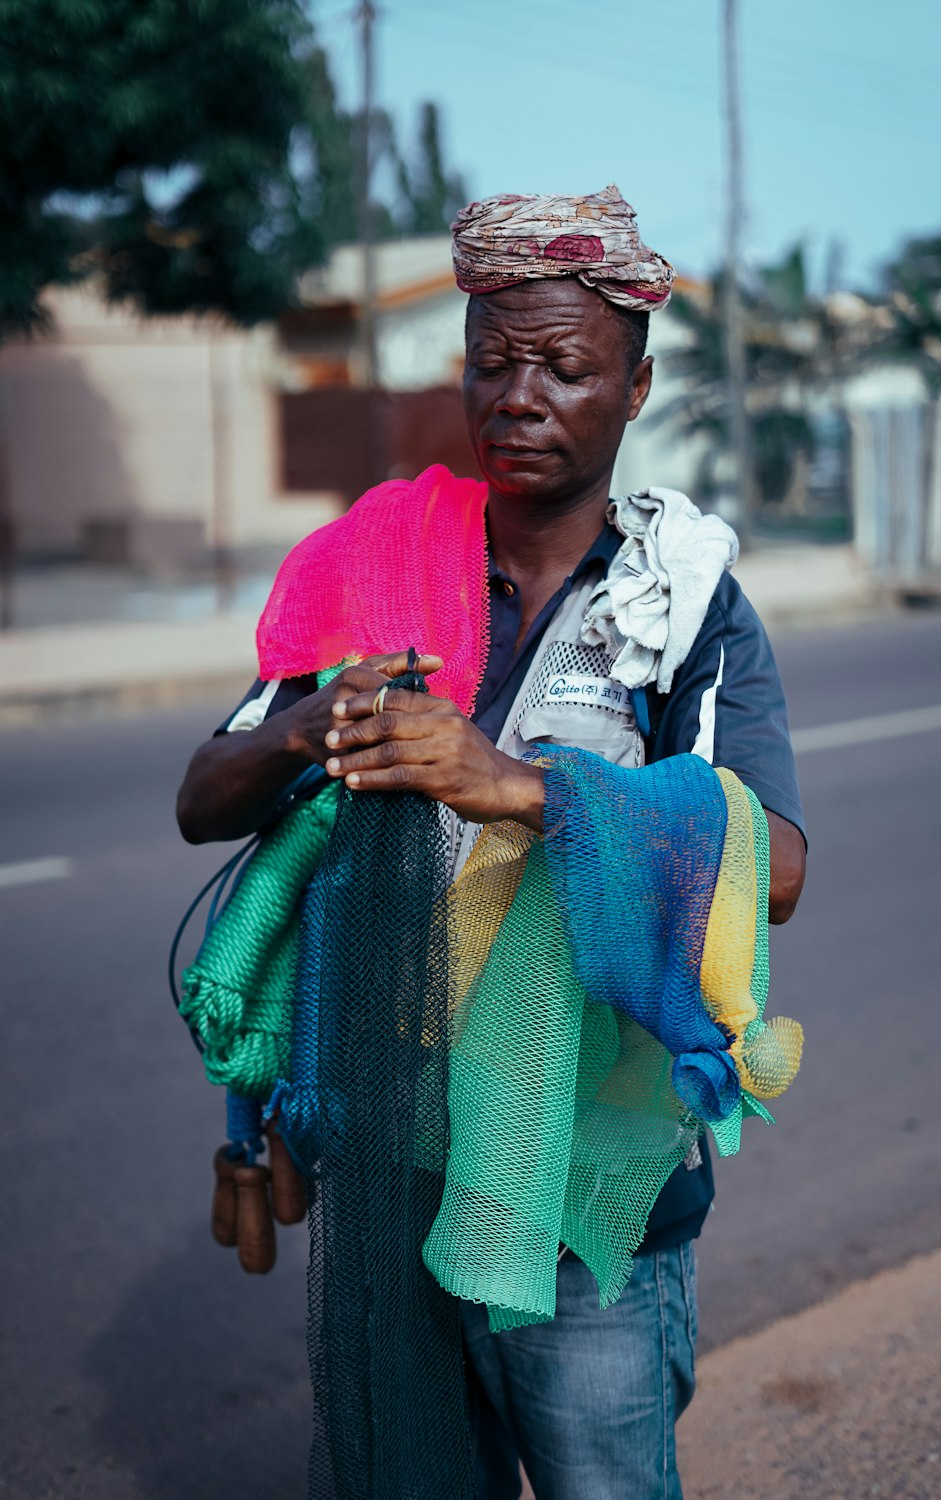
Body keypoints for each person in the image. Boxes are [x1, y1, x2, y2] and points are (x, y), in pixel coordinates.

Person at [177, 184, 806, 1500]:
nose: (519, 397)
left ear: (635, 389)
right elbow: (202, 800)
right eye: (492, 361)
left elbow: (778, 866)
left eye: (565, 367)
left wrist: (523, 790)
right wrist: (310, 728)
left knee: (600, 1477)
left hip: (585, 1186)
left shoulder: (683, 603)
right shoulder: (376, 571)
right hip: (398, 1148)